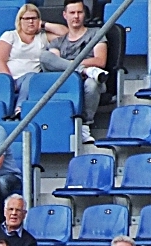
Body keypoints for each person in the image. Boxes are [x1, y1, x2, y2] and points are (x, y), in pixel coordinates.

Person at [39, 0, 106, 142]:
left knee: (92, 84)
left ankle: (85, 125)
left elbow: (100, 61)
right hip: (67, 81)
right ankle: (83, 71)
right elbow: (53, 64)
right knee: (45, 56)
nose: (76, 16)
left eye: (79, 12)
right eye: (72, 13)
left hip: (93, 78)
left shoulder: (96, 33)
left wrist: (69, 64)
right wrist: (79, 68)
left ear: (84, 14)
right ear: (65, 15)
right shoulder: (58, 41)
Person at [0, 4, 49, 113]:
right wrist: (9, 82)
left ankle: (19, 108)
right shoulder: (10, 35)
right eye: (27, 18)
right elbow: (0, 60)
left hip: (29, 81)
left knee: (31, 76)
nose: (31, 21)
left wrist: (44, 25)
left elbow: (65, 33)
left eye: (34, 18)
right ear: (20, 20)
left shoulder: (42, 37)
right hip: (5, 79)